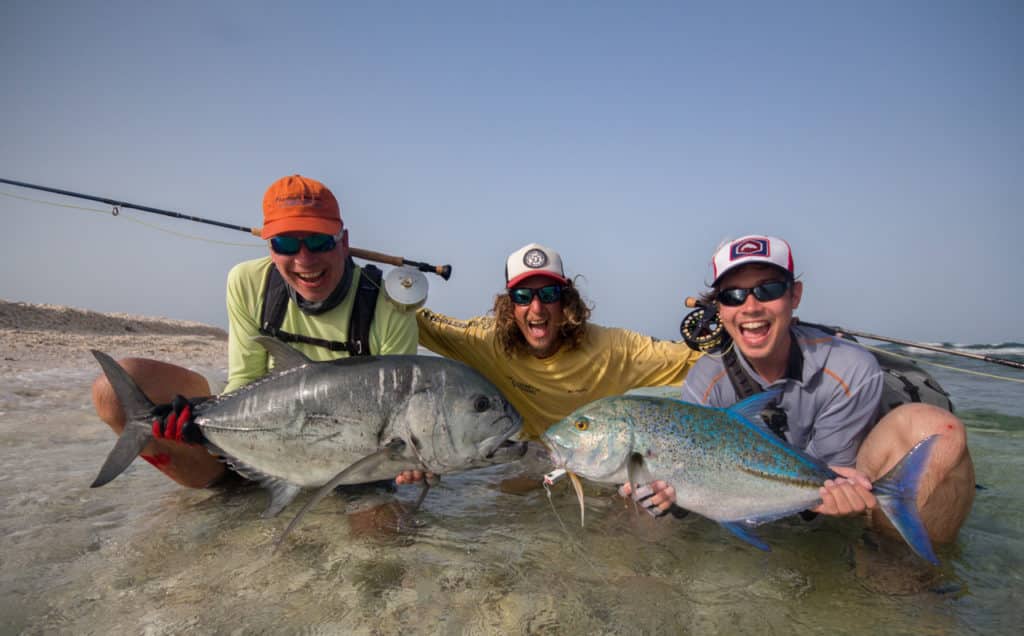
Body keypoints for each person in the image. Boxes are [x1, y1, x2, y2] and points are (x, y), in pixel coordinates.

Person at [636, 234, 974, 544]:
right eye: (733, 295)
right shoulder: (703, 381)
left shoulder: (850, 367)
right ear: (720, 309)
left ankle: (898, 569)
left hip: (844, 475)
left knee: (936, 428)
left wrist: (831, 492)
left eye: (768, 290)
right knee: (638, 510)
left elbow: (830, 478)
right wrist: (671, 500)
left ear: (794, 296)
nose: (750, 306)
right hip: (774, 488)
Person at [91, 174, 418, 488]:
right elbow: (245, 380)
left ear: (343, 242)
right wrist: (199, 421)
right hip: (257, 427)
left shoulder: (388, 305)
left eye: (319, 241)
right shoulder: (248, 282)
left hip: (347, 454)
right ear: (270, 248)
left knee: (379, 537)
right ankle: (224, 487)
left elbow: (399, 416)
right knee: (113, 391)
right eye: (286, 243)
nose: (304, 259)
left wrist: (415, 461)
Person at [416, 242, 703, 447]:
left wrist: (734, 317)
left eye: (549, 293)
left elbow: (688, 357)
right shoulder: (486, 341)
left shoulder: (613, 349)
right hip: (532, 456)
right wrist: (375, 284)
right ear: (509, 304)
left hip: (593, 459)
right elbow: (417, 321)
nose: (537, 308)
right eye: (524, 296)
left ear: (567, 300)